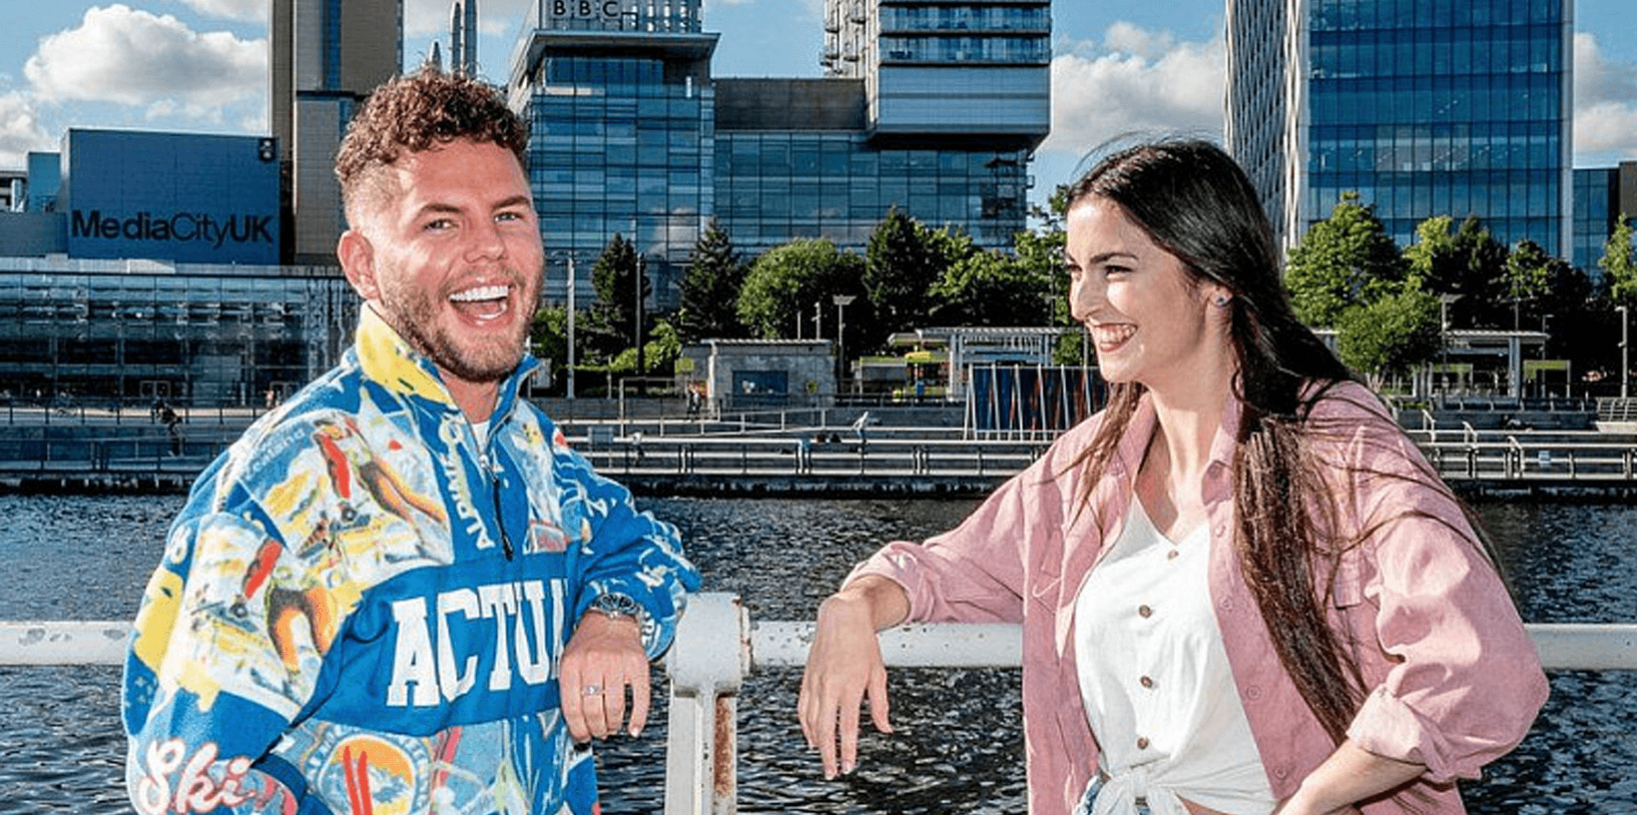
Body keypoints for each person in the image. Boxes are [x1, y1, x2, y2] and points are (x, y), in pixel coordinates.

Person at [798, 139, 1547, 815]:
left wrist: (1314, 797)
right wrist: (853, 604)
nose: (1082, 303)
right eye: (1075, 272)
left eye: (1114, 269)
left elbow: (1479, 668)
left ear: (1216, 278)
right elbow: (947, 568)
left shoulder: (1335, 446)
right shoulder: (1084, 467)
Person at [122, 67, 700, 815]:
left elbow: (649, 545)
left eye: (510, 215)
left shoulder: (529, 450)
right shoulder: (302, 478)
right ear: (363, 264)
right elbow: (185, 785)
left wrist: (614, 615)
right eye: (441, 222)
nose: (488, 250)